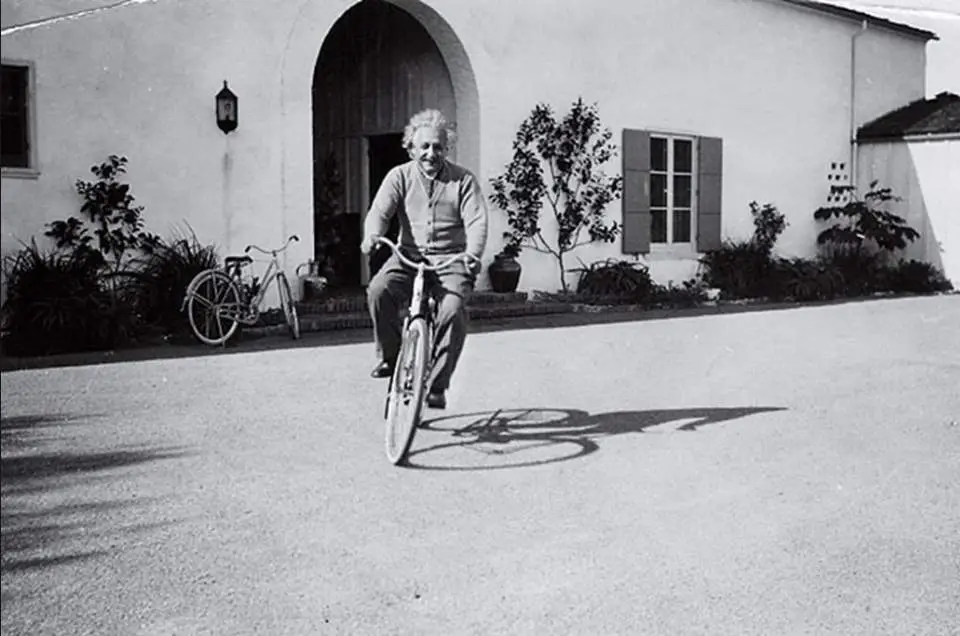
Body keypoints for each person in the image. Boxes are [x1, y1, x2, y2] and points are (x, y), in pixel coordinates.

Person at [360, 109, 489, 410]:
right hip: (408, 256)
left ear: (447, 148)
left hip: (451, 260)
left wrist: (473, 253)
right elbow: (380, 212)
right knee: (379, 291)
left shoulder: (463, 181)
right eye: (425, 147)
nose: (431, 153)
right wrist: (372, 236)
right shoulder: (399, 176)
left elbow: (477, 221)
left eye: (438, 146)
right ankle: (391, 358)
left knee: (453, 310)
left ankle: (437, 386)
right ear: (411, 148)